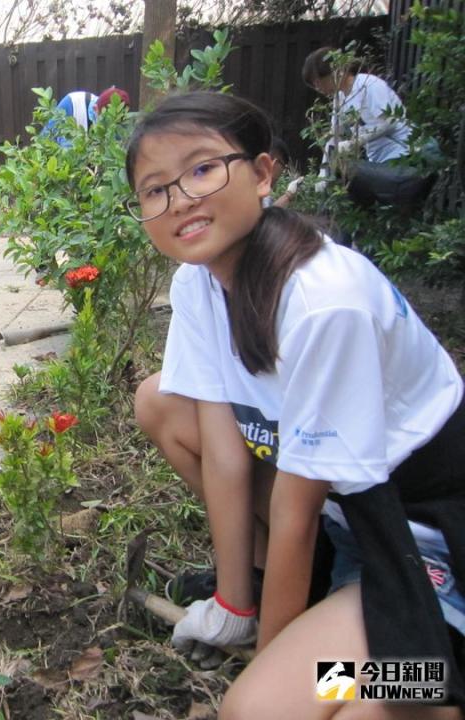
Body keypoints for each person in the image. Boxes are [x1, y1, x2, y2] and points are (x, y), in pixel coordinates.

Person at [127, 91, 464, 717]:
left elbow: (295, 510)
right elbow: (225, 452)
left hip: (422, 537)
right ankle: (295, 608)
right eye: (155, 189)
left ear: (261, 173)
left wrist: (273, 664)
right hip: (347, 518)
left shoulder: (323, 302)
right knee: (161, 401)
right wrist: (235, 607)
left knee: (291, 705)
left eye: (202, 169)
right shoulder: (199, 282)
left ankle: (437, 683)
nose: (181, 199)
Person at [301, 47, 434, 208]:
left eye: (317, 82)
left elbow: (389, 121)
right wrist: (322, 172)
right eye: (314, 86)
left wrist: (355, 142)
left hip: (405, 158)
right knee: (341, 178)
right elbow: (335, 136)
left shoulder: (369, 84)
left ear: (335, 70)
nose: (318, 89)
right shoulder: (340, 97)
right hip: (382, 163)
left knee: (347, 169)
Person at [43, 86, 131, 145]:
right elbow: (44, 140)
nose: (107, 126)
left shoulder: (120, 125)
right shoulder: (72, 103)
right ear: (95, 109)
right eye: (105, 120)